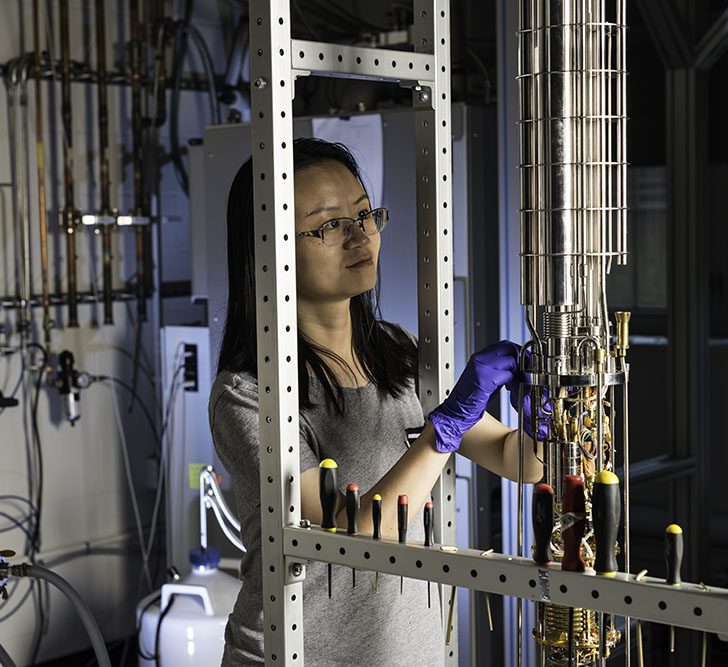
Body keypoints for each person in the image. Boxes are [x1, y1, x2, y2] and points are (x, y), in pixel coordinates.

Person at [209, 138, 543, 666]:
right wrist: (447, 425)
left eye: (364, 214)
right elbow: (354, 535)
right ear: (270, 247)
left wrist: (546, 422)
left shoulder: (398, 349)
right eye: (329, 225)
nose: (360, 235)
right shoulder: (248, 394)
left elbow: (513, 459)